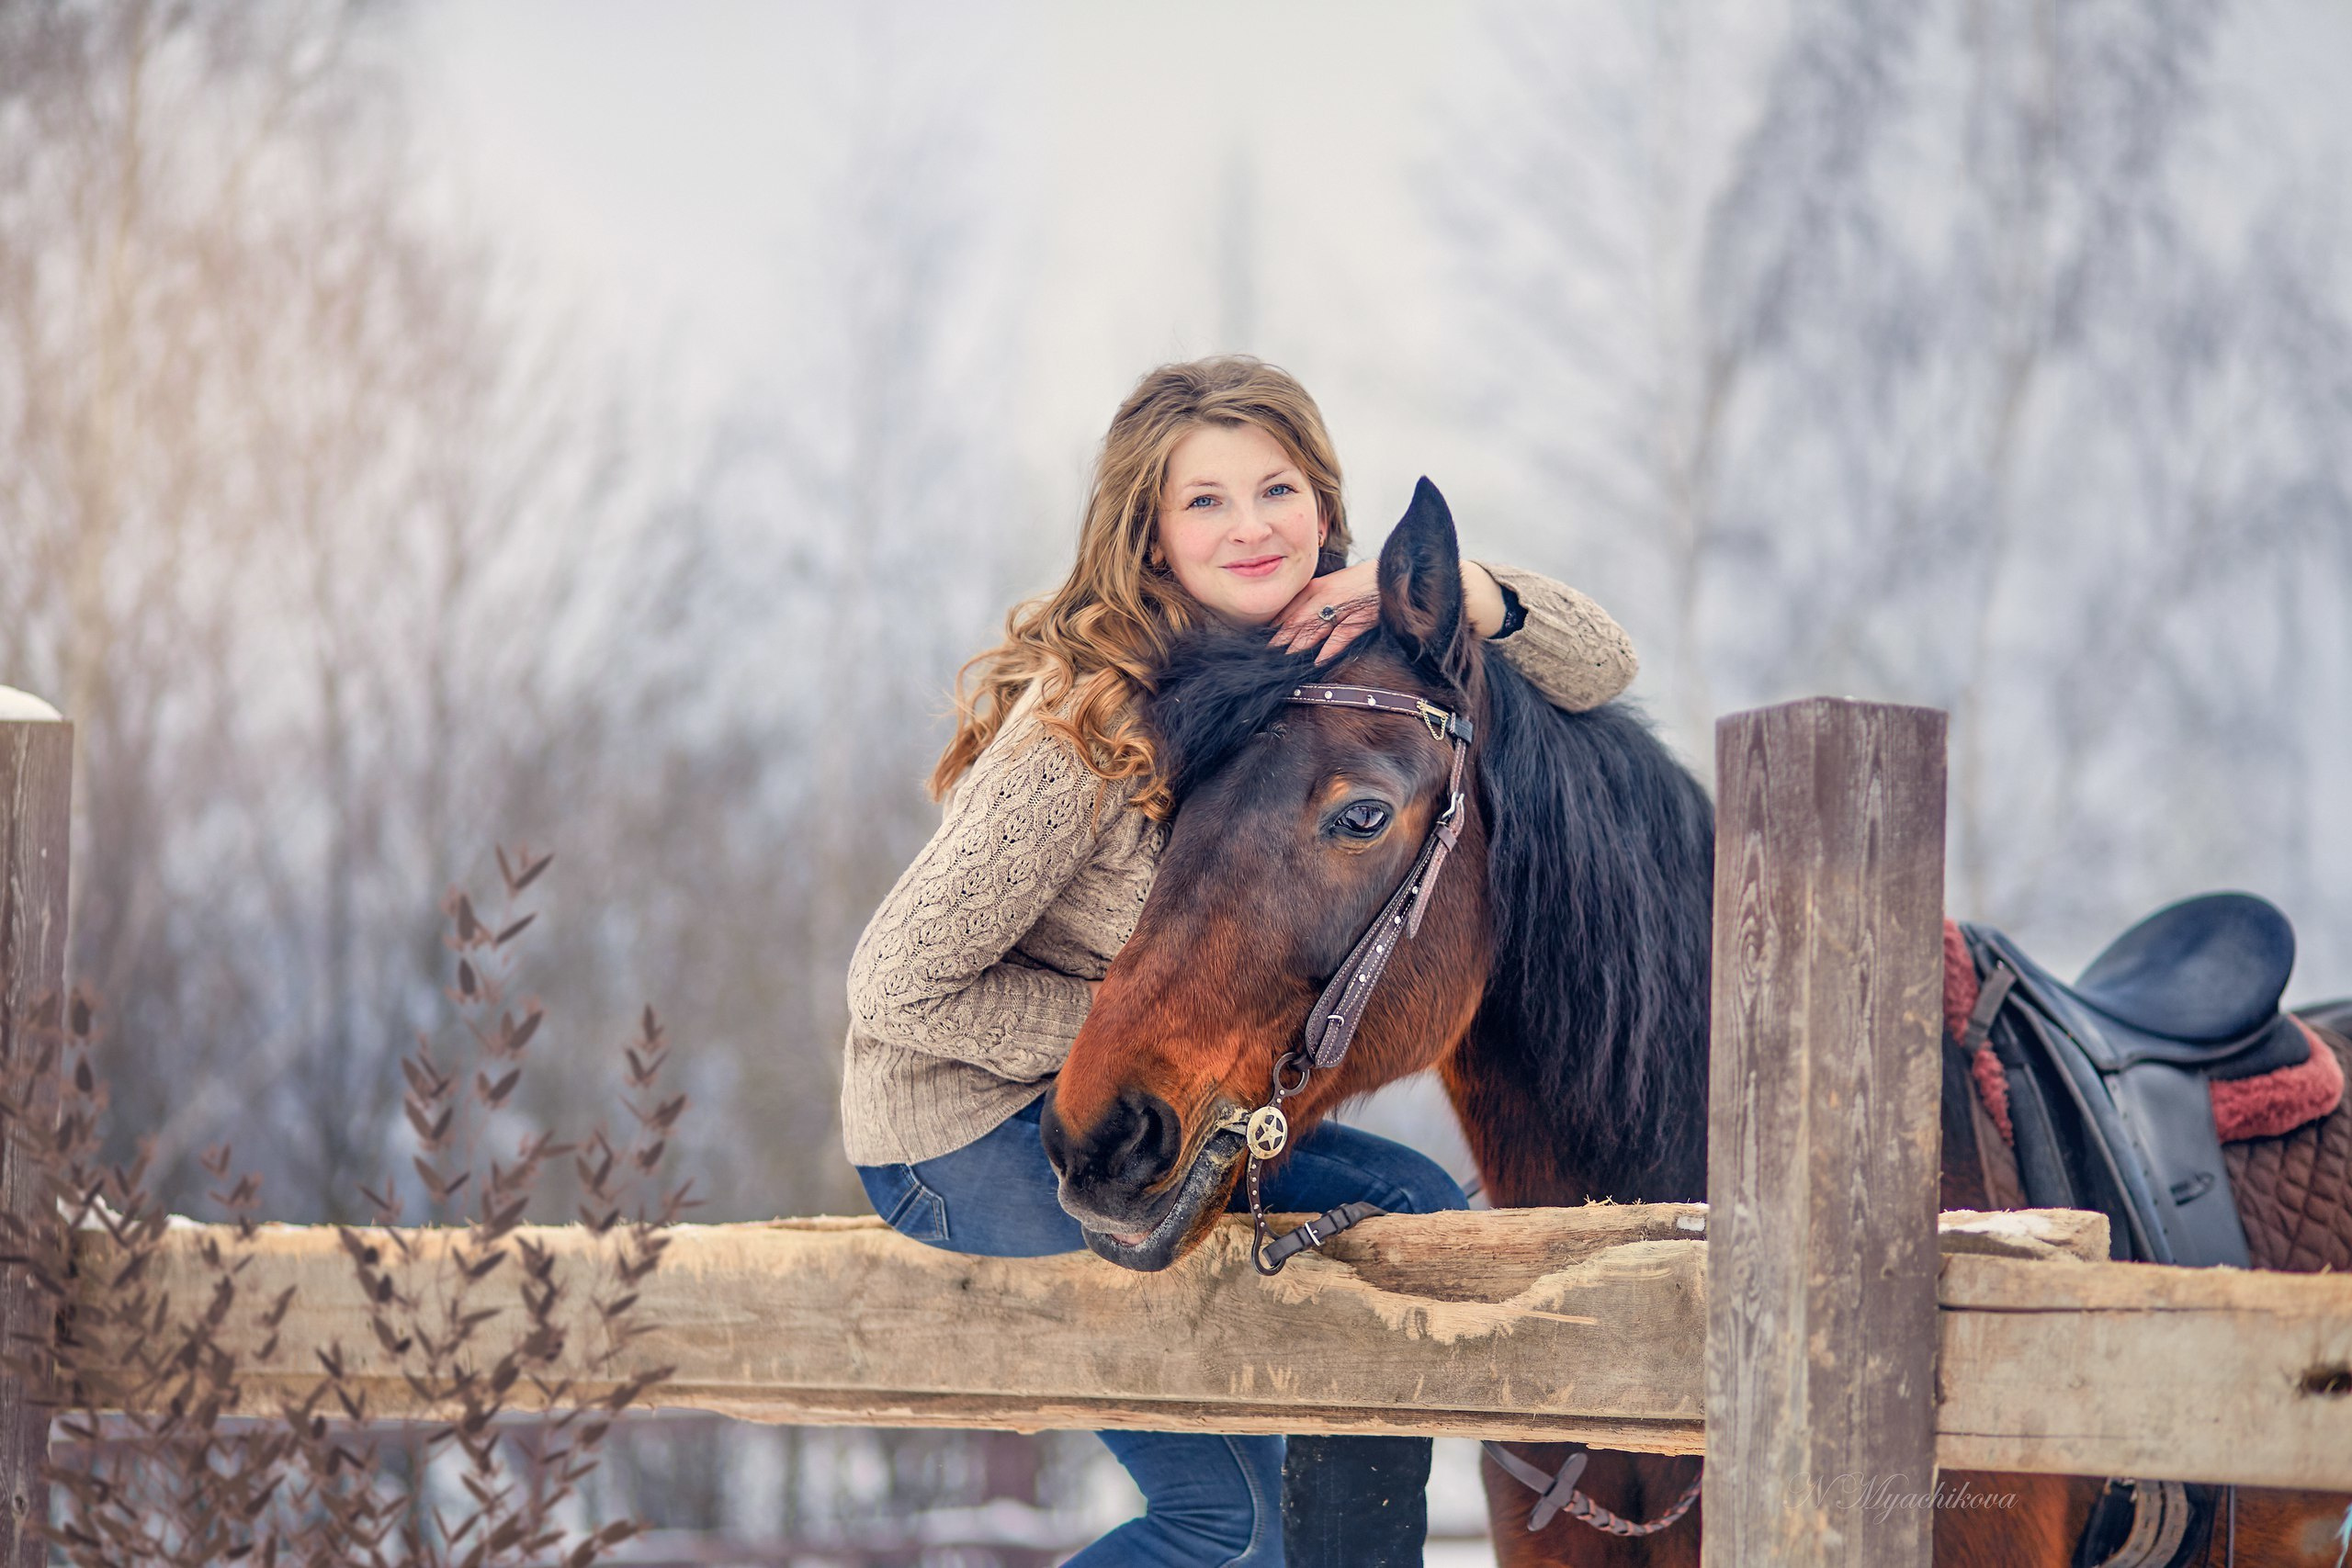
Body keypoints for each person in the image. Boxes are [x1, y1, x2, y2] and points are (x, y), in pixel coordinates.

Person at [842, 355, 1637, 1566]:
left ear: (1324, 505)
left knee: (1412, 1218)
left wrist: (1436, 585)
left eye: (1277, 489)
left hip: (1126, 1105)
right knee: (1224, 1531)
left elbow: (1601, 666)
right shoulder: (1089, 715)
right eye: (1204, 501)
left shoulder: (1316, 669)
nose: (1250, 526)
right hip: (963, 1137)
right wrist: (1152, 1041)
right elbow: (895, 986)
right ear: (1150, 535)